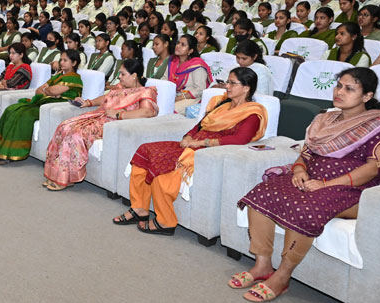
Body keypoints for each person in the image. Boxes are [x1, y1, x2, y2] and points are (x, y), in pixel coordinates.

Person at [233, 67, 380, 302]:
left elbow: (374, 168)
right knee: (262, 193)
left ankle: (282, 276)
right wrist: (299, 170)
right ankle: (262, 264)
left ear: (367, 96)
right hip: (313, 179)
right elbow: (306, 153)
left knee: (305, 207)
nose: (339, 92)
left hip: (353, 189)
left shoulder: (379, 126)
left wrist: (327, 184)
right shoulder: (325, 119)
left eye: (349, 89)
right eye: (339, 86)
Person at [113, 67, 268, 235]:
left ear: (246, 88)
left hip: (206, 150)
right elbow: (200, 125)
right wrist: (188, 136)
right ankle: (139, 208)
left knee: (162, 177)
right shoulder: (222, 104)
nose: (227, 86)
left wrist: (201, 142)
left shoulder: (252, 114)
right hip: (192, 143)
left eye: (232, 83)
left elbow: (239, 140)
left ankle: (165, 222)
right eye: (227, 82)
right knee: (145, 150)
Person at [43, 59, 158, 191]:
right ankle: (56, 174)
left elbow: (148, 112)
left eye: (122, 74)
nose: (119, 77)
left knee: (76, 133)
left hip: (113, 123)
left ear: (134, 75)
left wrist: (119, 114)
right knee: (65, 126)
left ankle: (67, 177)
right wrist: (89, 102)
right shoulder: (120, 87)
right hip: (100, 116)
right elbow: (106, 98)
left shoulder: (145, 92)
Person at [0, 50, 83, 165]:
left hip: (54, 106)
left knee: (21, 115)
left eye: (65, 60)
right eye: (61, 59)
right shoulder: (58, 76)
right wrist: (49, 91)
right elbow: (39, 91)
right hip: (43, 102)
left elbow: (52, 90)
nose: (61, 62)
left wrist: (49, 91)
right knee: (11, 109)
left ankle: (8, 154)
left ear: (74, 63)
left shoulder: (74, 78)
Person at [168, 34, 213, 115]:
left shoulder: (197, 65)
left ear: (190, 51)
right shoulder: (173, 61)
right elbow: (165, 81)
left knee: (169, 109)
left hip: (191, 98)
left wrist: (180, 97)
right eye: (178, 43)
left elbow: (200, 89)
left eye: (183, 45)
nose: (178, 46)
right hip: (173, 95)